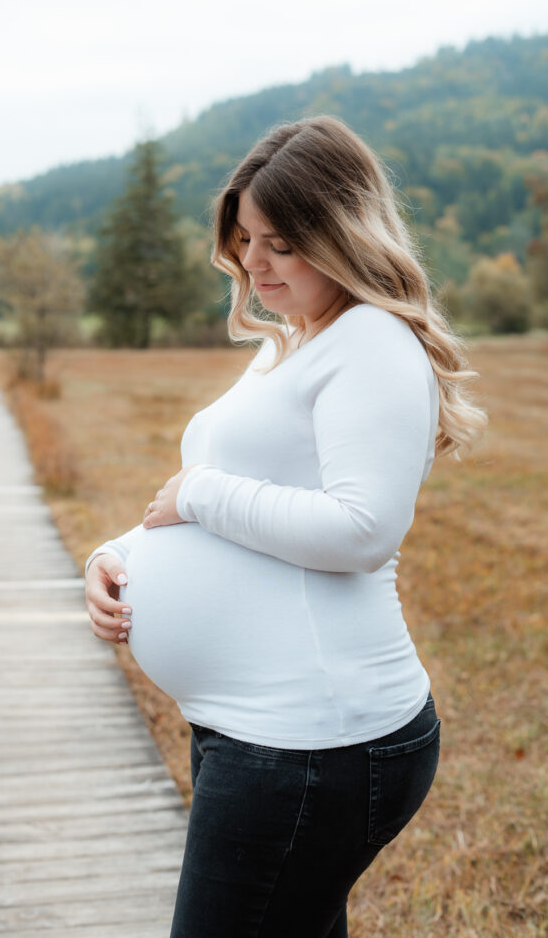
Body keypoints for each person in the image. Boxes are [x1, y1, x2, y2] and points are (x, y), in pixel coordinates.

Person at [84, 116, 486, 937]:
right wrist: (118, 554)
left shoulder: (371, 342)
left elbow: (359, 529)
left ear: (340, 235)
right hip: (260, 734)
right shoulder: (292, 342)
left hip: (315, 742)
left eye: (280, 244)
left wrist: (198, 498)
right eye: (243, 239)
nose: (252, 264)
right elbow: (223, 495)